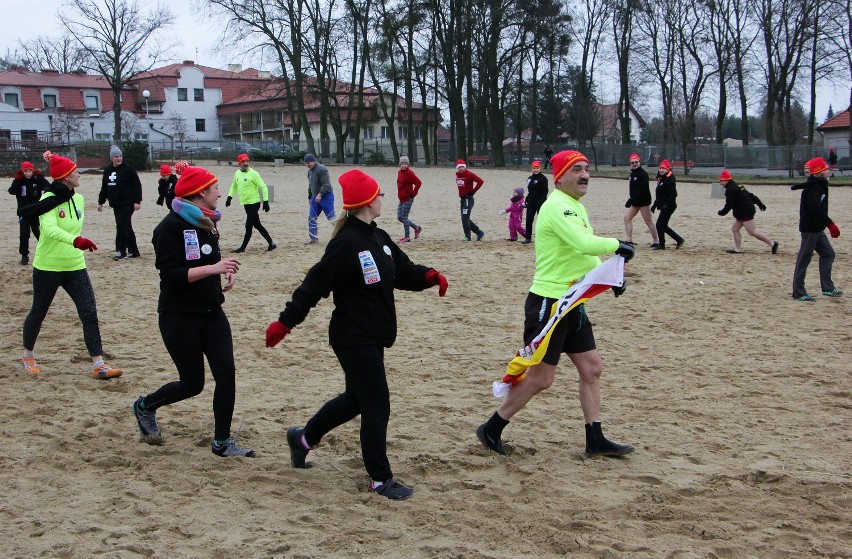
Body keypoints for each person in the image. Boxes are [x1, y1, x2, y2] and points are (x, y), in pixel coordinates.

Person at [265, 168, 449, 500]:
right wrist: (285, 323)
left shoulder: (378, 237)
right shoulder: (345, 243)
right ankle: (380, 478)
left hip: (373, 334)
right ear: (366, 200)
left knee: (356, 400)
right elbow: (312, 286)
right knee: (377, 403)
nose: (383, 198)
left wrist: (430, 276)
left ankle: (303, 438)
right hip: (352, 336)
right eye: (378, 193)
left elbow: (403, 272)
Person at [475, 150, 635, 458]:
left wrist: (610, 275)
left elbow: (584, 254)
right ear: (559, 177)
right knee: (541, 378)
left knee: (592, 368)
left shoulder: (574, 206)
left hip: (572, 301)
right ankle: (492, 427)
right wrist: (619, 245)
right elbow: (583, 243)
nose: (585, 174)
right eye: (577, 169)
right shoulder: (556, 207)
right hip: (549, 303)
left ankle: (595, 439)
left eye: (587, 168)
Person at [132, 165, 255, 457]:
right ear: (200, 193)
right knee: (192, 384)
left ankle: (222, 442)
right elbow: (172, 275)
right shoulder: (169, 228)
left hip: (212, 312)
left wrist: (224, 273)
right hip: (178, 317)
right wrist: (213, 268)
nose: (220, 192)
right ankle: (145, 406)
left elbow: (207, 258)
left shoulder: (207, 222)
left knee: (226, 374)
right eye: (215, 188)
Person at [18, 151, 122, 379]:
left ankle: (99, 364)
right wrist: (76, 240)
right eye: (75, 172)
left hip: (75, 265)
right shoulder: (47, 199)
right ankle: (28, 355)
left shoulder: (80, 199)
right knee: (39, 311)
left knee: (89, 312)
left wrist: (77, 243)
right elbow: (49, 229)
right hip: (48, 266)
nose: (78, 174)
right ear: (65, 177)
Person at [791, 157, 842, 301]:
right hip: (810, 229)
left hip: (817, 228)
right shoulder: (813, 189)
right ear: (820, 172)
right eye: (826, 169)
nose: (828, 171)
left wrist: (826, 225)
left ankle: (828, 288)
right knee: (804, 259)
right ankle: (798, 292)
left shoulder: (820, 186)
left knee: (828, 254)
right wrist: (830, 224)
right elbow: (816, 210)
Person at [716, 169, 778, 255]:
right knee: (735, 229)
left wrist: (722, 212)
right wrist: (760, 204)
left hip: (745, 212)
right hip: (744, 211)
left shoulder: (730, 190)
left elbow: (729, 204)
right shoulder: (738, 186)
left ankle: (772, 243)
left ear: (727, 180)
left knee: (752, 232)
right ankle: (737, 249)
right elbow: (750, 195)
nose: (720, 183)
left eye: (721, 181)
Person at [97, 145, 142, 260]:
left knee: (121, 226)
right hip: (116, 204)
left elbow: (137, 185)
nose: (119, 158)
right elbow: (104, 187)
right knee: (127, 226)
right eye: (116, 156)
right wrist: (101, 202)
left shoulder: (128, 170)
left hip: (127, 204)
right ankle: (134, 251)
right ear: (112, 158)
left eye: (120, 156)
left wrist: (137, 201)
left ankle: (121, 251)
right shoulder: (108, 171)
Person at [225, 153, 276, 253]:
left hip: (254, 203)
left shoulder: (254, 173)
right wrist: (229, 197)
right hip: (246, 204)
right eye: (243, 161)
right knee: (257, 225)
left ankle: (242, 248)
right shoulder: (237, 173)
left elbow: (263, 187)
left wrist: (265, 201)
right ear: (239, 163)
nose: (246, 163)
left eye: (247, 161)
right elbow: (234, 186)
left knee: (248, 226)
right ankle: (271, 243)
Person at [9, 161, 50, 265]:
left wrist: (40, 176)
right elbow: (11, 191)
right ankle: (24, 256)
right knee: (24, 235)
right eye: (26, 171)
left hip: (36, 212)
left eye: (30, 171)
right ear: (22, 172)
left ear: (33, 171)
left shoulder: (37, 180)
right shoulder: (20, 181)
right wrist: (17, 179)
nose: (28, 174)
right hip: (24, 213)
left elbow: (48, 186)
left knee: (39, 234)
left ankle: (46, 253)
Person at [623, 153, 659, 247]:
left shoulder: (643, 174)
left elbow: (641, 189)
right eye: (632, 162)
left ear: (640, 162)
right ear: (630, 164)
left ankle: (656, 241)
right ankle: (629, 240)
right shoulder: (632, 174)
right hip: (635, 202)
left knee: (648, 221)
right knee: (627, 218)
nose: (634, 164)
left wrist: (630, 200)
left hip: (643, 202)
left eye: (636, 162)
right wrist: (631, 200)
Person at [650, 160, 684, 250]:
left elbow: (673, 194)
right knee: (663, 225)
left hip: (669, 207)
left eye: (664, 168)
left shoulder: (670, 180)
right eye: (660, 168)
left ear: (668, 170)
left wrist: (666, 205)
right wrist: (654, 205)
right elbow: (660, 195)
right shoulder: (661, 178)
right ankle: (678, 239)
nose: (661, 170)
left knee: (659, 225)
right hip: (663, 206)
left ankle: (662, 244)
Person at [304, 153, 336, 244]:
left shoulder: (322, 169)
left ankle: (344, 233)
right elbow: (310, 185)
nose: (307, 165)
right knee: (312, 218)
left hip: (326, 197)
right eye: (305, 163)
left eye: (308, 163)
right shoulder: (310, 171)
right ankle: (313, 239)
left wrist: (320, 194)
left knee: (331, 218)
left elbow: (326, 184)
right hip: (315, 197)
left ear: (313, 161)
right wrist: (310, 196)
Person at [455, 159, 485, 241]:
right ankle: (479, 232)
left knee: (465, 218)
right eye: (459, 167)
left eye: (462, 167)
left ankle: (467, 236)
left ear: (465, 167)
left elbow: (480, 181)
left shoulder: (469, 174)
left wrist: (474, 191)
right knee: (464, 218)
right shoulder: (457, 175)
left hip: (468, 199)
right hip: (462, 199)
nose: (461, 168)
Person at [396, 154, 423, 243]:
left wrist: (413, 194)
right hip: (401, 198)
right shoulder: (399, 172)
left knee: (404, 217)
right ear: (400, 164)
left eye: (405, 164)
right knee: (399, 217)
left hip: (408, 198)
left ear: (408, 165)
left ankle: (407, 237)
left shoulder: (410, 173)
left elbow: (418, 183)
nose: (404, 165)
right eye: (402, 164)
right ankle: (416, 228)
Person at [522, 160, 548, 244]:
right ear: (532, 169)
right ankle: (528, 237)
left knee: (541, 221)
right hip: (531, 202)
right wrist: (527, 199)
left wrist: (541, 201)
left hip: (540, 202)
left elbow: (545, 192)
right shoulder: (530, 178)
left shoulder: (543, 178)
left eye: (537, 168)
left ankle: (543, 237)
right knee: (529, 220)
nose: (536, 169)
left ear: (540, 168)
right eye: (534, 168)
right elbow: (530, 190)